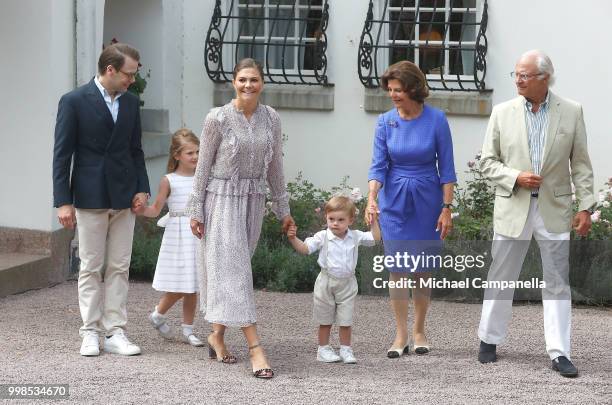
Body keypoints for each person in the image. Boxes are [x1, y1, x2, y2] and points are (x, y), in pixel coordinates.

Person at [477, 50, 595, 378]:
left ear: (544, 78)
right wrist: (515, 177)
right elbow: (487, 162)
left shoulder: (572, 112)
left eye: (524, 75)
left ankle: (559, 353)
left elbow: (582, 165)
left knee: (557, 281)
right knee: (502, 275)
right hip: (513, 205)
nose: (517, 79)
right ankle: (489, 339)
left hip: (554, 209)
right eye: (516, 74)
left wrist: (585, 206)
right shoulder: (502, 113)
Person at [185, 58, 295, 379]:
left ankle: (216, 335)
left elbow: (276, 169)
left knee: (235, 271)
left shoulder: (271, 118)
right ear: (234, 82)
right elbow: (202, 167)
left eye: (254, 80)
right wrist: (196, 208)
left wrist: (283, 211)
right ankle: (256, 349)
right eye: (243, 79)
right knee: (235, 274)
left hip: (253, 202)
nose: (248, 85)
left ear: (262, 83)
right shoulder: (216, 118)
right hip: (220, 201)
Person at [52, 43, 150, 356]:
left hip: (124, 195)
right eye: (128, 74)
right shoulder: (74, 101)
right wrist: (62, 201)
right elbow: (62, 155)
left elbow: (136, 150)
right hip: (89, 194)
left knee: (120, 267)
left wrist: (142, 188)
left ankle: (116, 332)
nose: (132, 80)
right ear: (110, 70)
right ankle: (90, 332)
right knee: (91, 267)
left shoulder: (132, 103)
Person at [366, 60, 456, 358]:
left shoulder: (437, 120)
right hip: (394, 203)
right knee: (398, 268)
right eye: (390, 90)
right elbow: (378, 166)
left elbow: (447, 169)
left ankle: (419, 330)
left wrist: (446, 208)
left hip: (428, 201)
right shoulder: (385, 121)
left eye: (399, 90)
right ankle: (400, 334)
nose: (393, 95)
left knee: (423, 270)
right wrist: (371, 199)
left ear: (414, 89)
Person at [287, 196, 381, 364]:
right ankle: (323, 349)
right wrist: (293, 238)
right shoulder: (322, 236)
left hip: (347, 284)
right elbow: (305, 249)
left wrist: (373, 221)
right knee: (325, 319)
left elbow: (375, 239)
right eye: (331, 219)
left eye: (340, 220)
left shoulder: (355, 236)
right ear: (326, 217)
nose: (335, 223)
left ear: (350, 220)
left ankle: (346, 349)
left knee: (346, 319)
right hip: (326, 283)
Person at [133, 129, 204, 347]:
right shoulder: (169, 180)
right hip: (178, 235)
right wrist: (139, 210)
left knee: (193, 286)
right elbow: (155, 210)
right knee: (182, 285)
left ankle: (188, 329)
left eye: (197, 152)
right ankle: (158, 313)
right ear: (176, 155)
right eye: (189, 153)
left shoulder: (202, 178)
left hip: (197, 233)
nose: (195, 157)